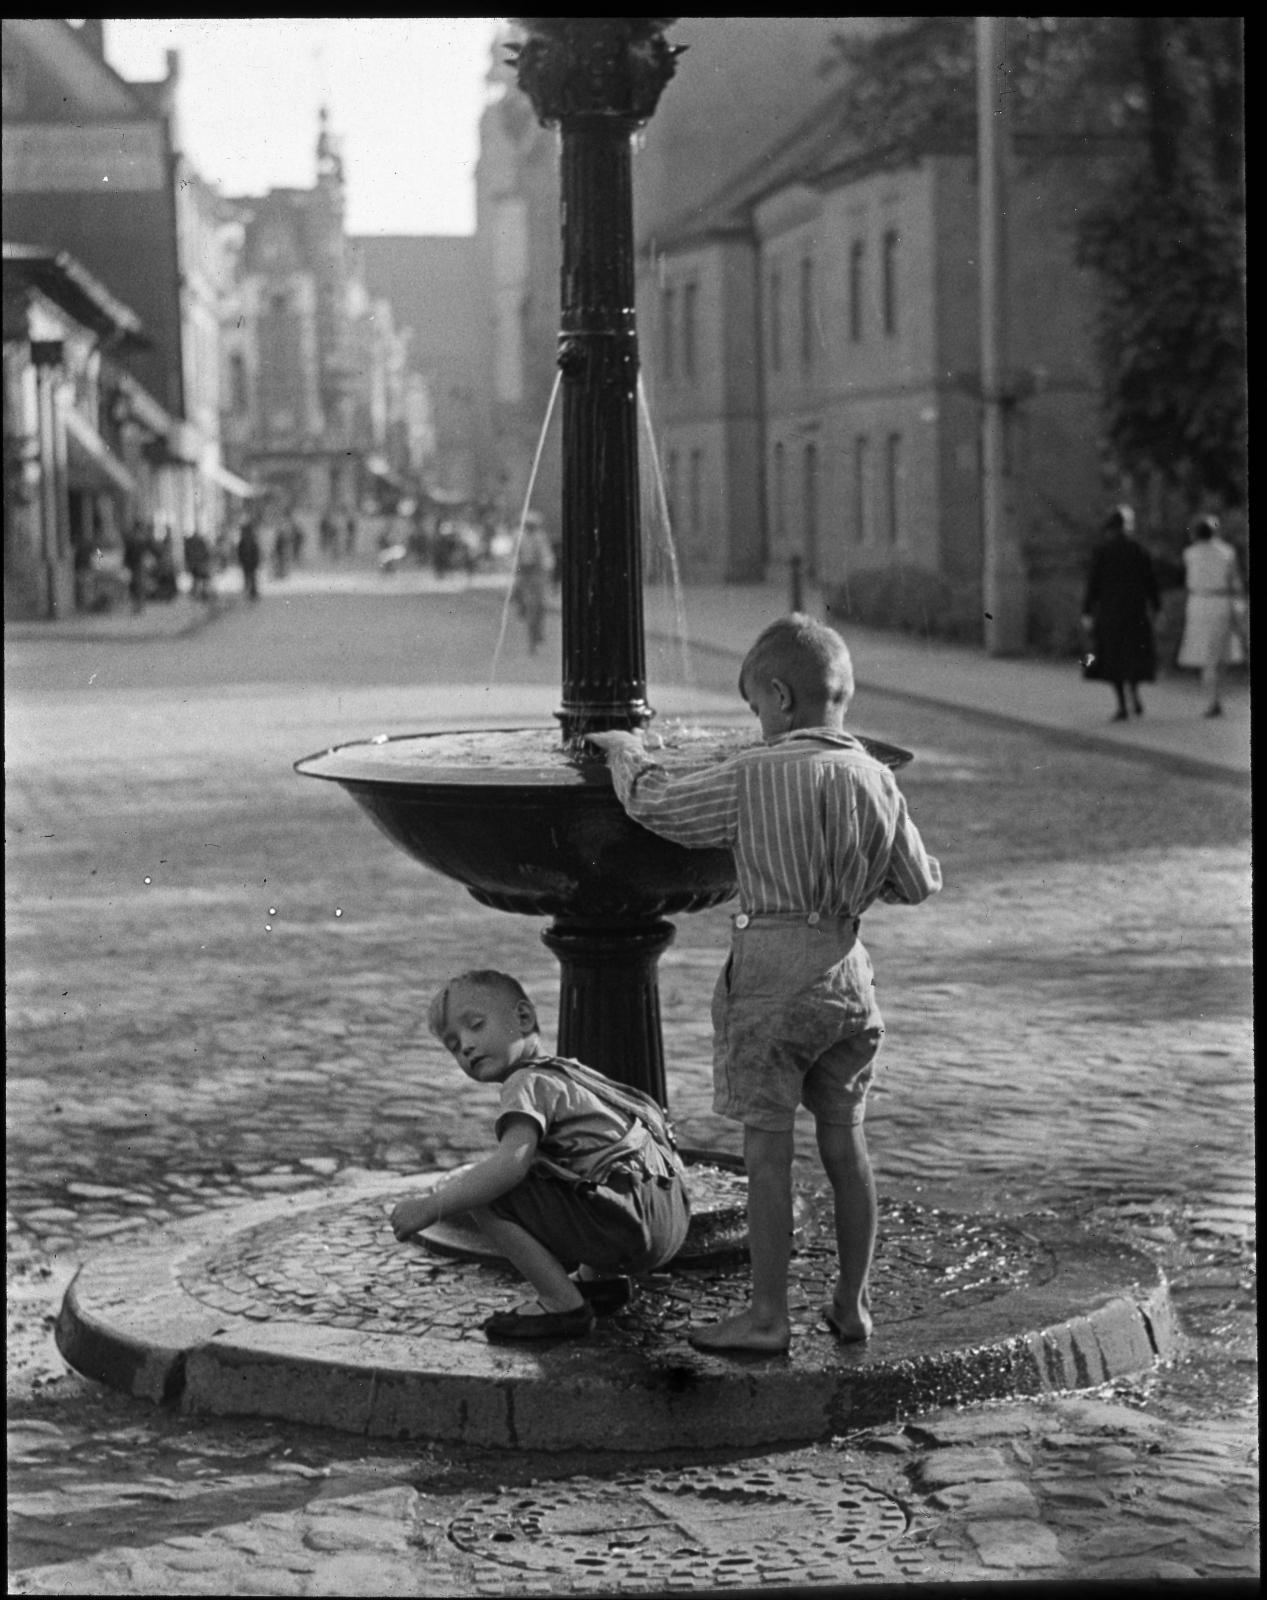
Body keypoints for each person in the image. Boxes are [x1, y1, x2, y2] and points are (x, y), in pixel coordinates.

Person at [589, 614, 942, 1355]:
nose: (755, 724)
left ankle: (767, 1316)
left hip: (771, 981)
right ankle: (852, 1304)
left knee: (767, 1152)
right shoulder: (875, 775)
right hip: (848, 977)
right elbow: (917, 883)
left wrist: (625, 751)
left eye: (754, 708)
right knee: (846, 1145)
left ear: (778, 696)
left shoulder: (755, 773)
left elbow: (660, 806)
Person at [389, 970, 690, 1342]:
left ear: (524, 1018)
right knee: (567, 1171)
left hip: (632, 1229)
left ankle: (561, 1305)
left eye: (476, 1025)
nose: (465, 1046)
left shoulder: (525, 1082)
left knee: (490, 1196)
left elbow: (509, 1167)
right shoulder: (570, 1072)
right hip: (668, 1219)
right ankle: (602, 1283)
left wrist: (433, 1206)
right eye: (453, 1045)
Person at [1081, 505, 1160, 721]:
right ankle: (1134, 692)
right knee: (1133, 655)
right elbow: (1151, 582)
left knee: (1113, 659)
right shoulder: (1139, 550)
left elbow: (1093, 584)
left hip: (1110, 612)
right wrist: (1156, 605)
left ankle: (1121, 705)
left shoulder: (1103, 551)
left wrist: (1087, 610)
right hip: (1135, 612)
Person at [1176, 513, 1246, 717]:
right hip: (1221, 602)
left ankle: (1213, 699)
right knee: (1220, 653)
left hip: (1199, 603)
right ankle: (1216, 697)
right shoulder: (1226, 551)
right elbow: (1236, 582)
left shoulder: (1190, 553)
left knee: (1207, 655)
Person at [513, 512, 554, 654]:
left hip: (538, 575)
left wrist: (545, 572)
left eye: (532, 526)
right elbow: (516, 558)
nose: (529, 528)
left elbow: (547, 559)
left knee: (541, 606)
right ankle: (532, 640)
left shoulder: (541, 538)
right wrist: (518, 573)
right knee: (529, 605)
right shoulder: (519, 538)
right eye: (527, 525)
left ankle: (538, 633)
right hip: (525, 575)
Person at [122, 522, 151, 613]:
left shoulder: (131, 538)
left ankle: (137, 607)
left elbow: (127, 553)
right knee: (139, 586)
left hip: (133, 565)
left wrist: (125, 563)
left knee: (135, 586)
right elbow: (147, 551)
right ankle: (139, 607)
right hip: (139, 565)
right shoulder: (142, 538)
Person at [184, 529, 212, 602]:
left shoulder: (190, 543)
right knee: (200, 580)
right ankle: (201, 594)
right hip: (199, 564)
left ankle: (200, 594)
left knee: (199, 580)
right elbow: (206, 553)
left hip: (197, 564)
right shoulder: (199, 543)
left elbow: (206, 554)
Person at [237, 518, 261, 600]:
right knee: (251, 576)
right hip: (249, 562)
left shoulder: (245, 540)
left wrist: (241, 559)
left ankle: (251, 591)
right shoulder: (249, 540)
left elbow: (240, 551)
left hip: (248, 562)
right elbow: (241, 551)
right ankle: (251, 591)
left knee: (249, 576)